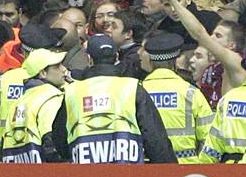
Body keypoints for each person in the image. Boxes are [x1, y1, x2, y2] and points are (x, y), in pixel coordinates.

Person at [50, 32, 176, 163]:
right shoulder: (132, 88)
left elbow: (60, 143)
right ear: (116, 56)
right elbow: (155, 140)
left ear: (89, 58)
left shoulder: (73, 92)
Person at [139, 30, 212, 163]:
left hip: (148, 168)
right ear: (174, 63)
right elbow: (209, 138)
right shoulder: (191, 92)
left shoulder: (138, 92)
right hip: (187, 170)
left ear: (151, 62)